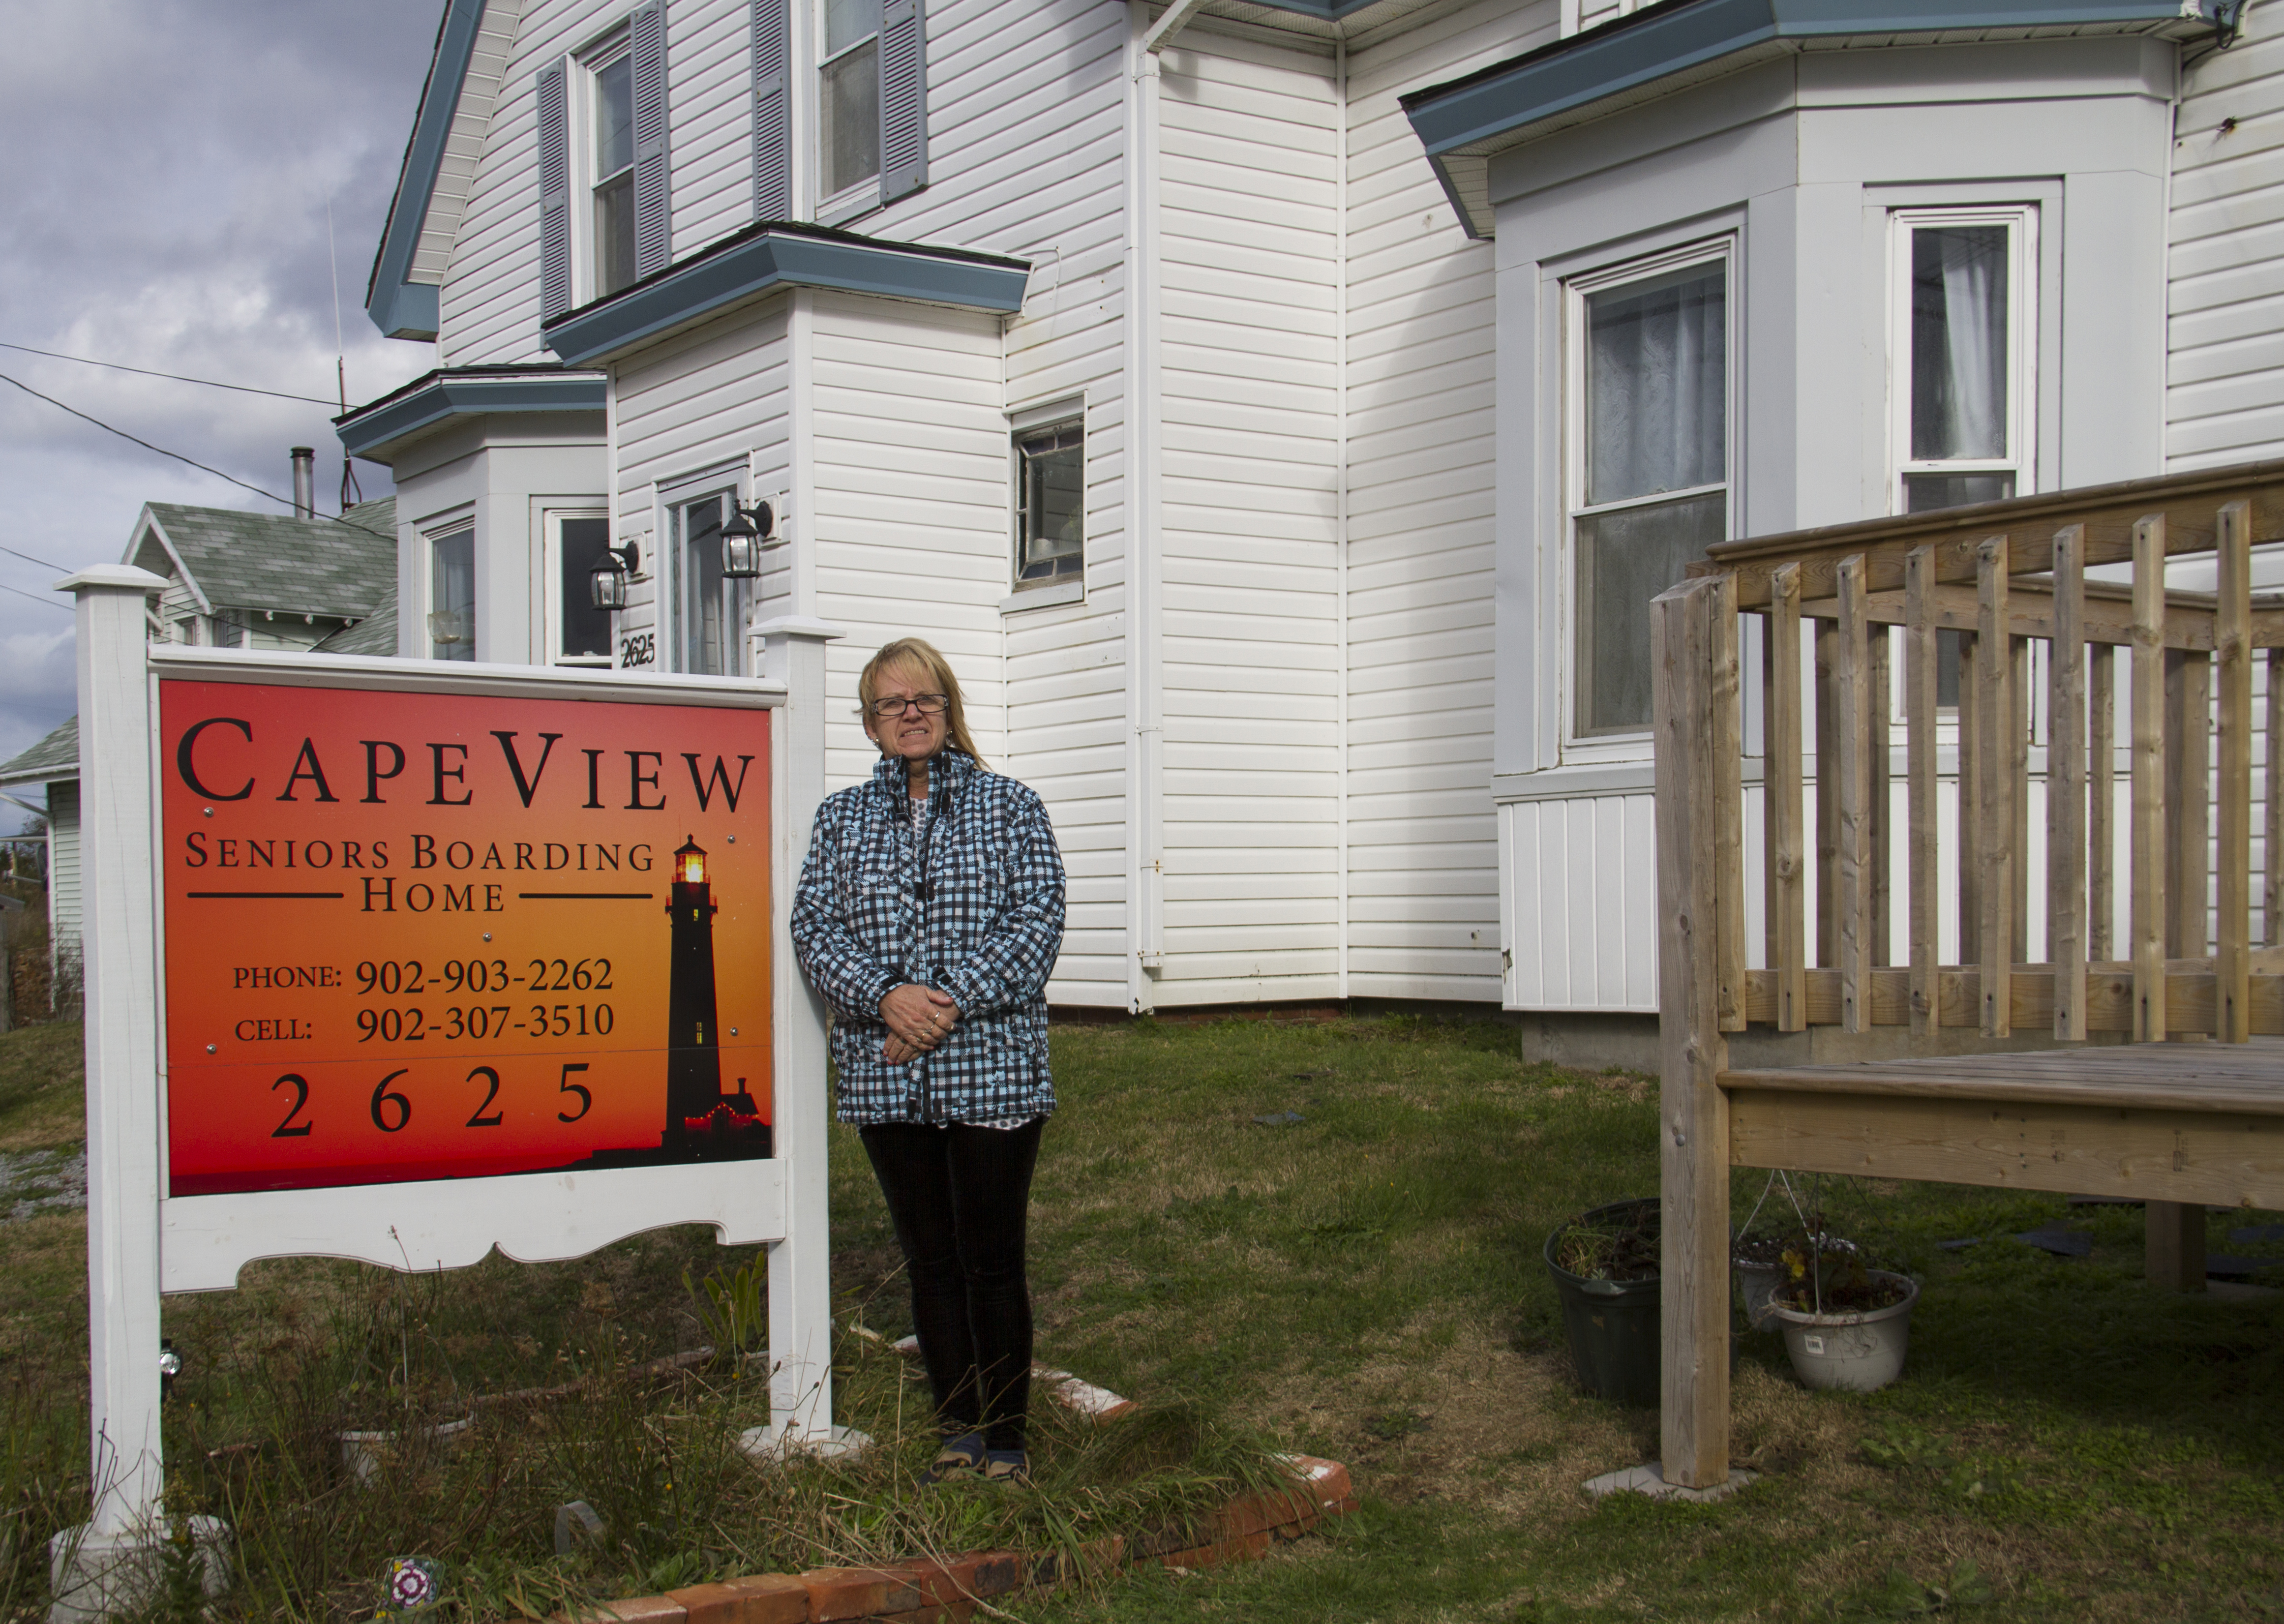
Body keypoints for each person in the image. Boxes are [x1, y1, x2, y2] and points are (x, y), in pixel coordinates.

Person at [789, 636, 1066, 1485]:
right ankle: (961, 1429)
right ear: (870, 724)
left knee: (992, 1258)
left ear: (948, 710)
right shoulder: (842, 819)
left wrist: (936, 1000)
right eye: (890, 703)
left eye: (924, 699)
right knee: (932, 1259)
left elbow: (1037, 921)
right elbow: (813, 927)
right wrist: (884, 999)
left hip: (992, 1068)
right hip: (887, 1074)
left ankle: (1009, 1439)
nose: (909, 714)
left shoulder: (1009, 805)